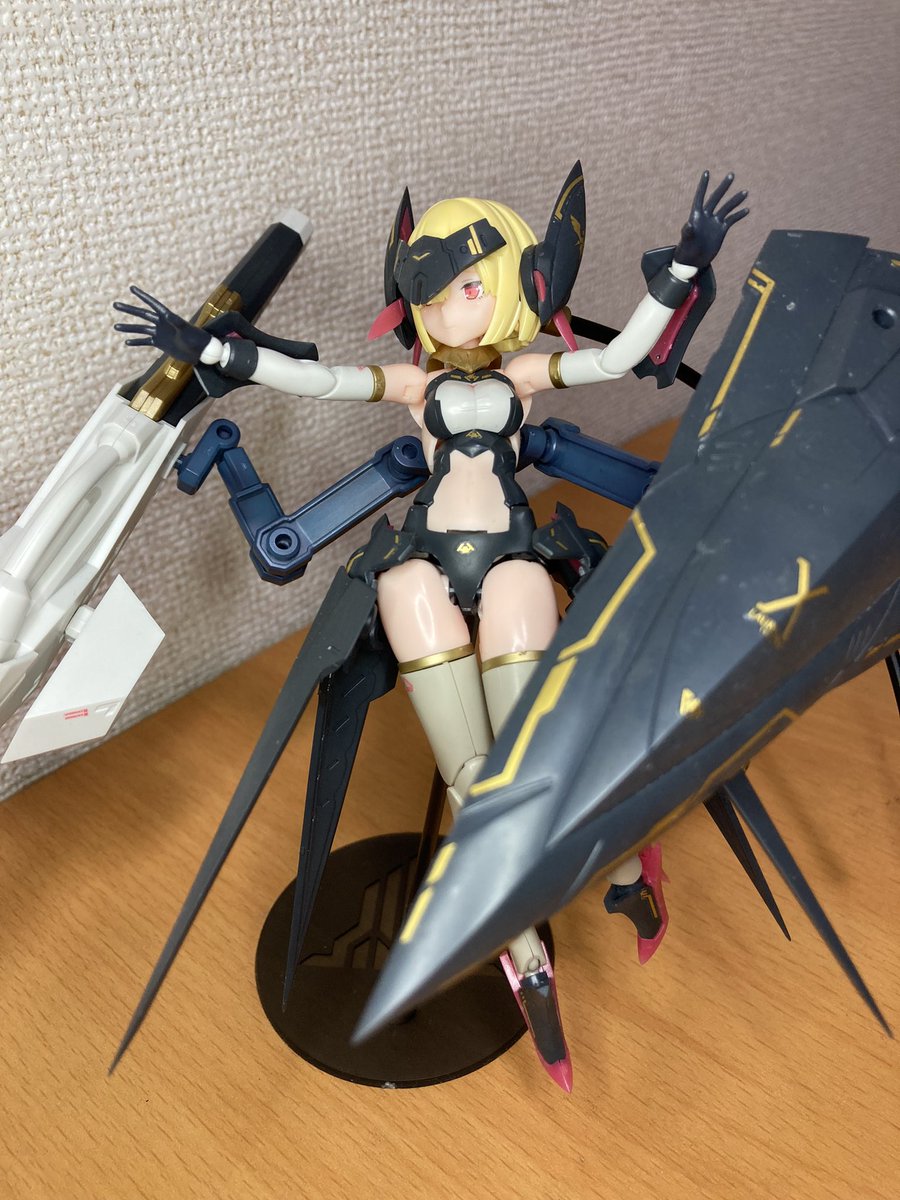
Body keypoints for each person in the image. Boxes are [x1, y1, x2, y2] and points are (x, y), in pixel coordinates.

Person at [114, 166, 747, 1088]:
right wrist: (214, 352)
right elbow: (320, 380)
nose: (444, 306)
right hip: (421, 571)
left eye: (464, 285)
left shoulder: (525, 375)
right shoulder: (414, 385)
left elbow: (614, 362)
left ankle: (619, 872)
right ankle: (526, 958)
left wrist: (681, 270)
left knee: (532, 761)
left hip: (515, 569)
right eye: (428, 287)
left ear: (519, 284)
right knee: (471, 774)